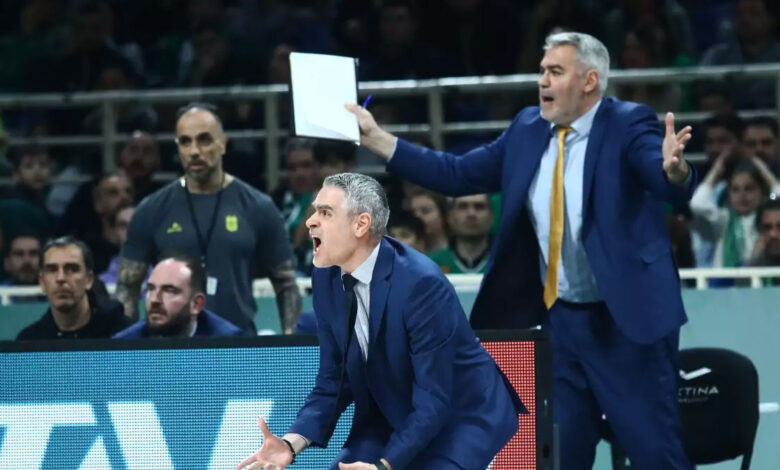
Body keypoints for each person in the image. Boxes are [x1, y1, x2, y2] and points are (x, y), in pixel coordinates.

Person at [346, 31, 695, 469]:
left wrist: (675, 170)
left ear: (589, 81)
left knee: (656, 455)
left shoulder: (628, 123)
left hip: (627, 321)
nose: (542, 81)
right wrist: (377, 138)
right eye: (541, 71)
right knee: (560, 455)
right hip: (562, 322)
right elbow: (456, 174)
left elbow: (662, 174)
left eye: (555, 72)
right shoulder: (528, 129)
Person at [237, 173, 523, 470]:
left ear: (361, 224)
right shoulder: (325, 276)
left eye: (325, 212)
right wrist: (290, 443)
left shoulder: (421, 283)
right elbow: (333, 382)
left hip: (459, 416)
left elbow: (433, 400)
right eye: (314, 211)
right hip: (390, 411)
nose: (310, 221)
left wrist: (384, 467)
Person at [117, 102, 301, 334]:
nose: (194, 151)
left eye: (204, 140)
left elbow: (286, 285)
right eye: (186, 142)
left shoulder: (258, 207)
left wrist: (292, 341)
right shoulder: (152, 209)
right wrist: (129, 347)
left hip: (239, 345)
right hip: (171, 347)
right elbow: (128, 286)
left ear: (223, 143)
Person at [16, 236, 130, 340]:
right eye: (52, 270)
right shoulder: (29, 341)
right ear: (42, 282)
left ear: (89, 280)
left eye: (72, 269)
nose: (61, 278)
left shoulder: (122, 334)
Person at [114, 256, 242, 338]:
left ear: (196, 304)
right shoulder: (125, 344)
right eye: (151, 289)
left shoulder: (229, 344)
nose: (154, 300)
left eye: (169, 290)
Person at [430, 194, 494, 274]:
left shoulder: (505, 262)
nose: (471, 214)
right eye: (463, 207)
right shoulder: (433, 264)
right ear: (450, 217)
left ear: (491, 217)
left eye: (479, 207)